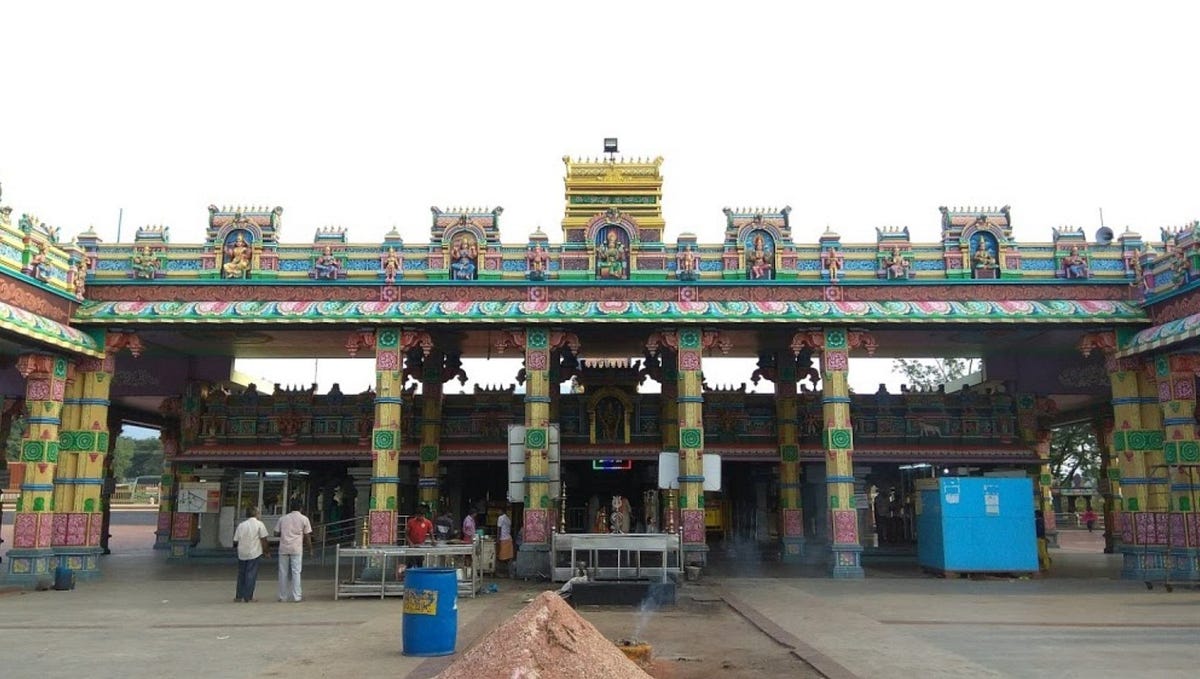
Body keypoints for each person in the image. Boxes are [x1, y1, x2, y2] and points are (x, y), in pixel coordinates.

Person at [274, 499, 313, 603]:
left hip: (283, 548)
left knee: (283, 572)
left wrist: (285, 533)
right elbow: (307, 536)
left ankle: (283, 596)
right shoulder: (304, 519)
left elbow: (276, 533)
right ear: (301, 508)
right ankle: (297, 596)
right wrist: (310, 549)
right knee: (296, 572)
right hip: (296, 548)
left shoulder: (283, 519)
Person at [232, 506, 270, 603]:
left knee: (241, 574)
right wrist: (266, 551)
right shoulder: (259, 524)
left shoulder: (241, 525)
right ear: (256, 514)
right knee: (251, 574)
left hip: (242, 553)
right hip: (254, 553)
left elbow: (235, 540)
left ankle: (238, 596)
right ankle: (248, 596)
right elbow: (264, 539)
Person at [497, 505, 514, 576]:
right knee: (509, 557)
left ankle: (502, 572)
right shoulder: (508, 518)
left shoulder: (501, 518)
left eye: (499, 510)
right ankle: (509, 572)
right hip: (509, 539)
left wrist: (498, 538)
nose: (498, 512)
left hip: (503, 539)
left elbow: (499, 528)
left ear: (502, 511)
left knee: (501, 557)